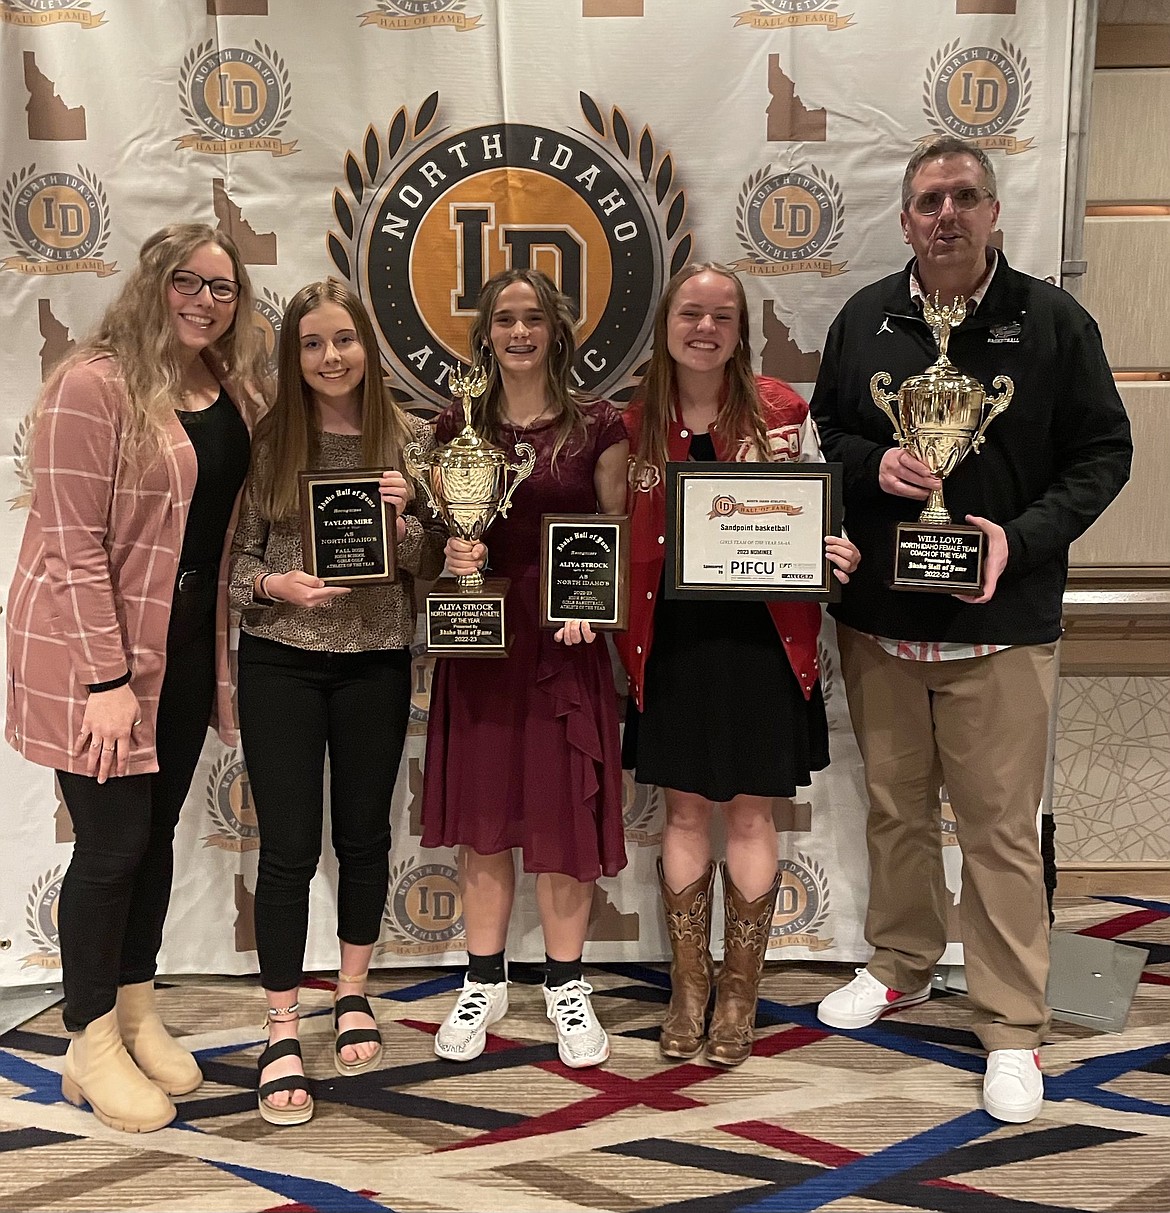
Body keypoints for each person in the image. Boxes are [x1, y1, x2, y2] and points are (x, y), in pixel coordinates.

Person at [810, 136, 1132, 1122]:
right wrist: (878, 473)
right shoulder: (866, 317)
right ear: (905, 219)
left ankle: (1010, 1024)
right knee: (897, 813)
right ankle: (901, 962)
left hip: (1002, 631)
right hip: (882, 631)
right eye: (926, 200)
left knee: (998, 833)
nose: (944, 213)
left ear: (993, 212)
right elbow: (831, 433)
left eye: (963, 197)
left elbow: (1102, 453)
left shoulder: (1052, 321)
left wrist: (1019, 539)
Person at [5, 224, 267, 1132]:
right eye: (188, 283)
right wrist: (105, 678)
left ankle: (134, 1007)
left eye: (223, 288)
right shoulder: (93, 382)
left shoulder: (228, 388)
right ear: (155, 284)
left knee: (152, 841)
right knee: (111, 848)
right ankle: (88, 1039)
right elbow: (72, 543)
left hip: (184, 650)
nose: (205, 300)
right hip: (96, 657)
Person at [616, 262, 858, 1067]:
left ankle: (740, 992)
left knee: (750, 817)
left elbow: (819, 516)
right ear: (668, 324)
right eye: (691, 312)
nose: (706, 328)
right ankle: (690, 984)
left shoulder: (784, 412)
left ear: (740, 328)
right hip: (673, 643)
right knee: (684, 815)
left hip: (762, 643)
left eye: (723, 315)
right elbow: (609, 536)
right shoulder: (634, 424)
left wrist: (833, 549)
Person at [229, 279, 445, 1125]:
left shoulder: (413, 439)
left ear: (369, 345)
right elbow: (239, 564)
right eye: (313, 343)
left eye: (344, 340)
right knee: (286, 848)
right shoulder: (270, 439)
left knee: (364, 835)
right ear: (295, 354)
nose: (330, 357)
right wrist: (274, 583)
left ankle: (352, 988)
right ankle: (281, 1019)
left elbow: (432, 566)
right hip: (281, 660)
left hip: (377, 662)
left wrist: (411, 519)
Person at [422, 268, 628, 1069]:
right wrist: (452, 549)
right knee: (484, 819)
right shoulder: (452, 427)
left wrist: (596, 600)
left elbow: (618, 530)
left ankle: (565, 983)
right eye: (504, 318)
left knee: (563, 817)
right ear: (486, 334)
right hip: (481, 644)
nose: (518, 332)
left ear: (556, 330)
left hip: (565, 646)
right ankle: (484, 978)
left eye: (532, 317)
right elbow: (433, 540)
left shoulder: (600, 427)